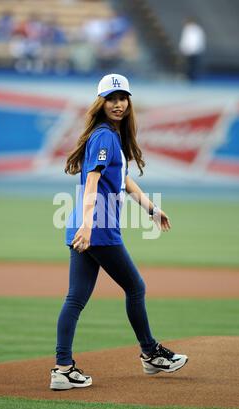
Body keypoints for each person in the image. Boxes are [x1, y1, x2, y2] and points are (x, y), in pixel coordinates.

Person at [50, 74, 188, 390]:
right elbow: (93, 184)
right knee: (136, 288)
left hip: (87, 226)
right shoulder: (103, 137)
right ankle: (151, 354)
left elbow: (123, 181)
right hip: (96, 227)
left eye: (123, 97)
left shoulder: (112, 137)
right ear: (101, 103)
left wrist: (151, 208)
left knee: (75, 298)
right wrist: (87, 225)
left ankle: (63, 368)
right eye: (111, 98)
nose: (118, 104)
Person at [179, 17, 206, 81]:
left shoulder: (197, 29)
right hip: (188, 51)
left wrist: (196, 49)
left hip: (195, 51)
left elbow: (198, 40)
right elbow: (185, 40)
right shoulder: (187, 29)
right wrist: (183, 49)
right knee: (187, 65)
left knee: (193, 66)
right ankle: (188, 77)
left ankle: (193, 78)